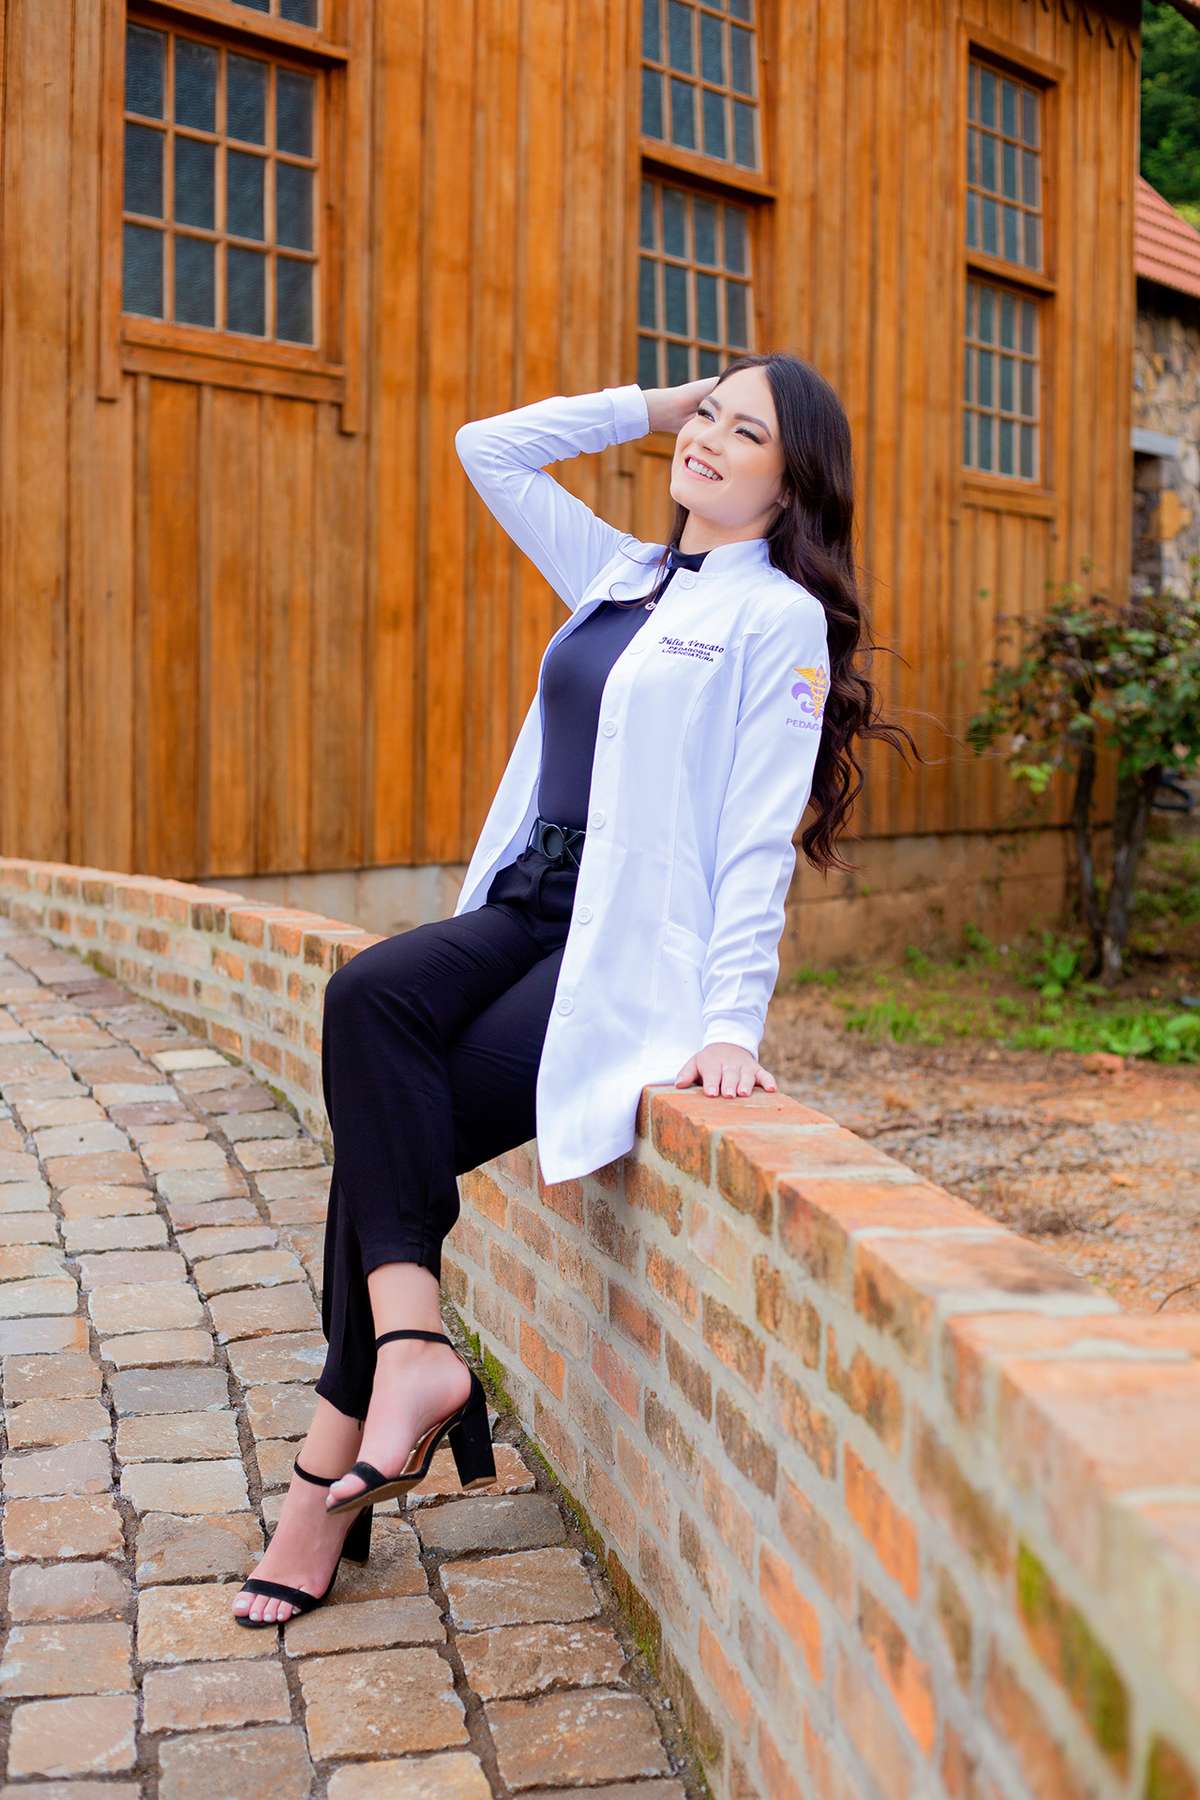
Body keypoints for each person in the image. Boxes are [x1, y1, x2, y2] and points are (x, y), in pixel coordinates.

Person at [233, 353, 909, 1624]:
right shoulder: (622, 571)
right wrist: (658, 407)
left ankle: (326, 1486)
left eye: (743, 430)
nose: (707, 438)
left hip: (615, 954)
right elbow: (488, 444)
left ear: (792, 479)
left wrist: (728, 1024)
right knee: (370, 1001)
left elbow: (760, 837)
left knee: (390, 1133)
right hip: (524, 906)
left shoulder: (778, 620)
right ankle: (418, 1351)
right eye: (707, 412)